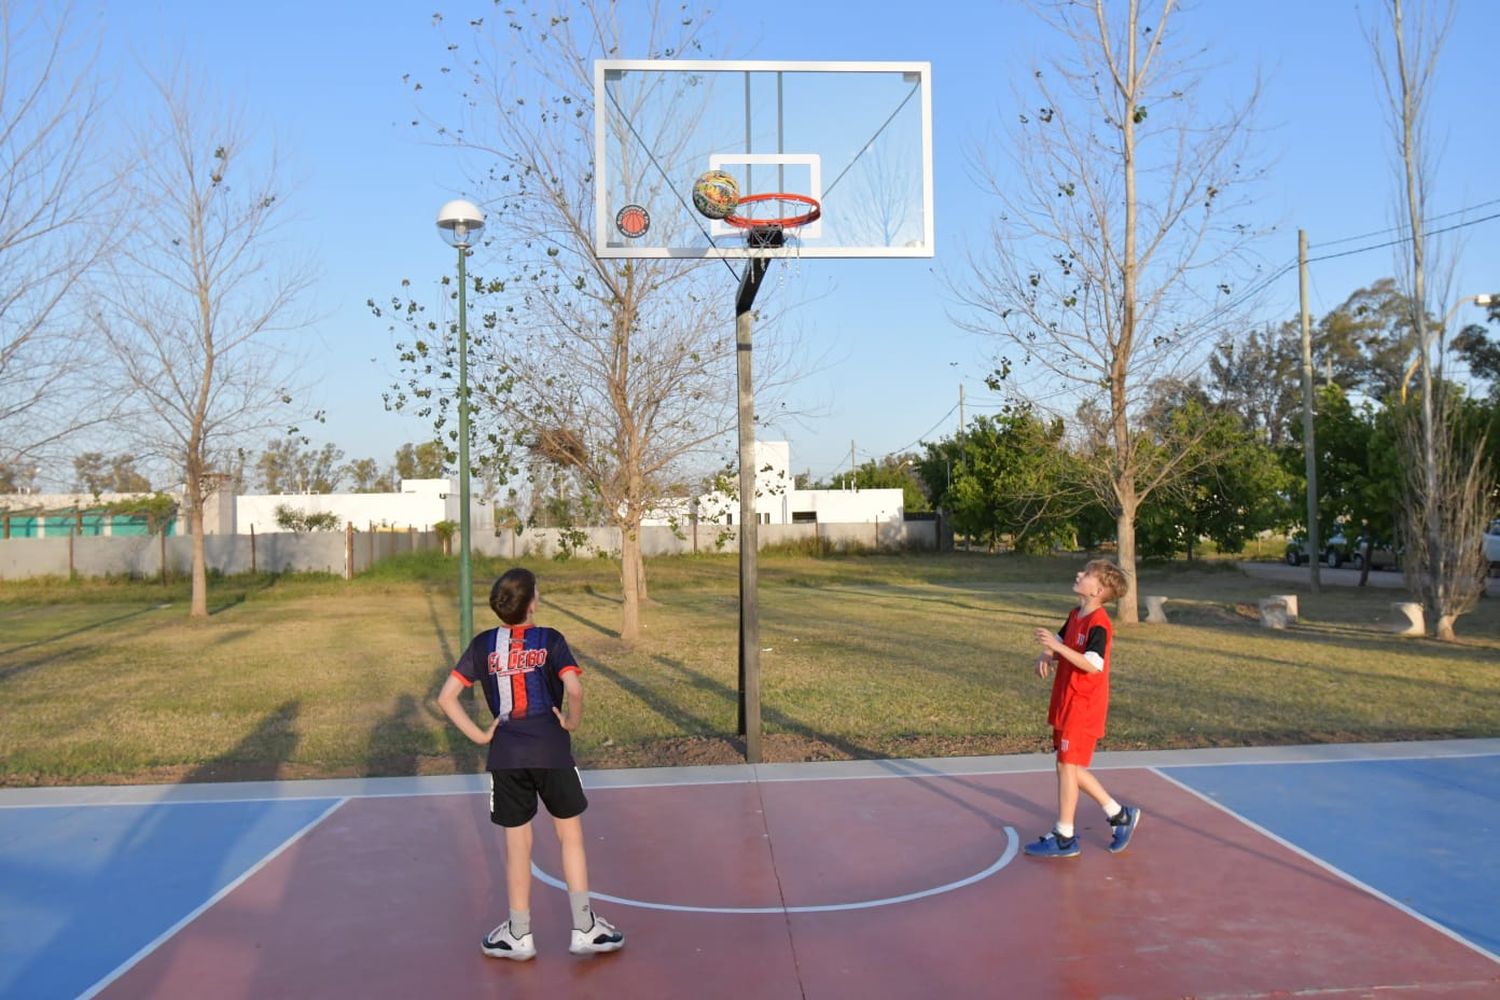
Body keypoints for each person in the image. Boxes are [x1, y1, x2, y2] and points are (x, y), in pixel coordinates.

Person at [436, 567, 625, 960]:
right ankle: (584, 928)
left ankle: (519, 934)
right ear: (532, 601)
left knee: (517, 846)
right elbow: (574, 688)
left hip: (507, 756)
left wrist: (480, 736)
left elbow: (446, 697)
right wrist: (571, 721)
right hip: (552, 751)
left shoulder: (483, 644)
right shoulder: (550, 639)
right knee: (569, 836)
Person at [1023, 558, 1142, 858]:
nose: (1079, 574)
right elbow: (1062, 640)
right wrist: (1047, 653)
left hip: (1084, 705)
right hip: (1067, 700)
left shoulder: (1099, 623)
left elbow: (1092, 663)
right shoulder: (1076, 613)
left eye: (1087, 574)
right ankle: (1119, 816)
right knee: (1068, 765)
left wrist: (1058, 648)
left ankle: (1065, 835)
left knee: (1066, 765)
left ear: (1098, 590)